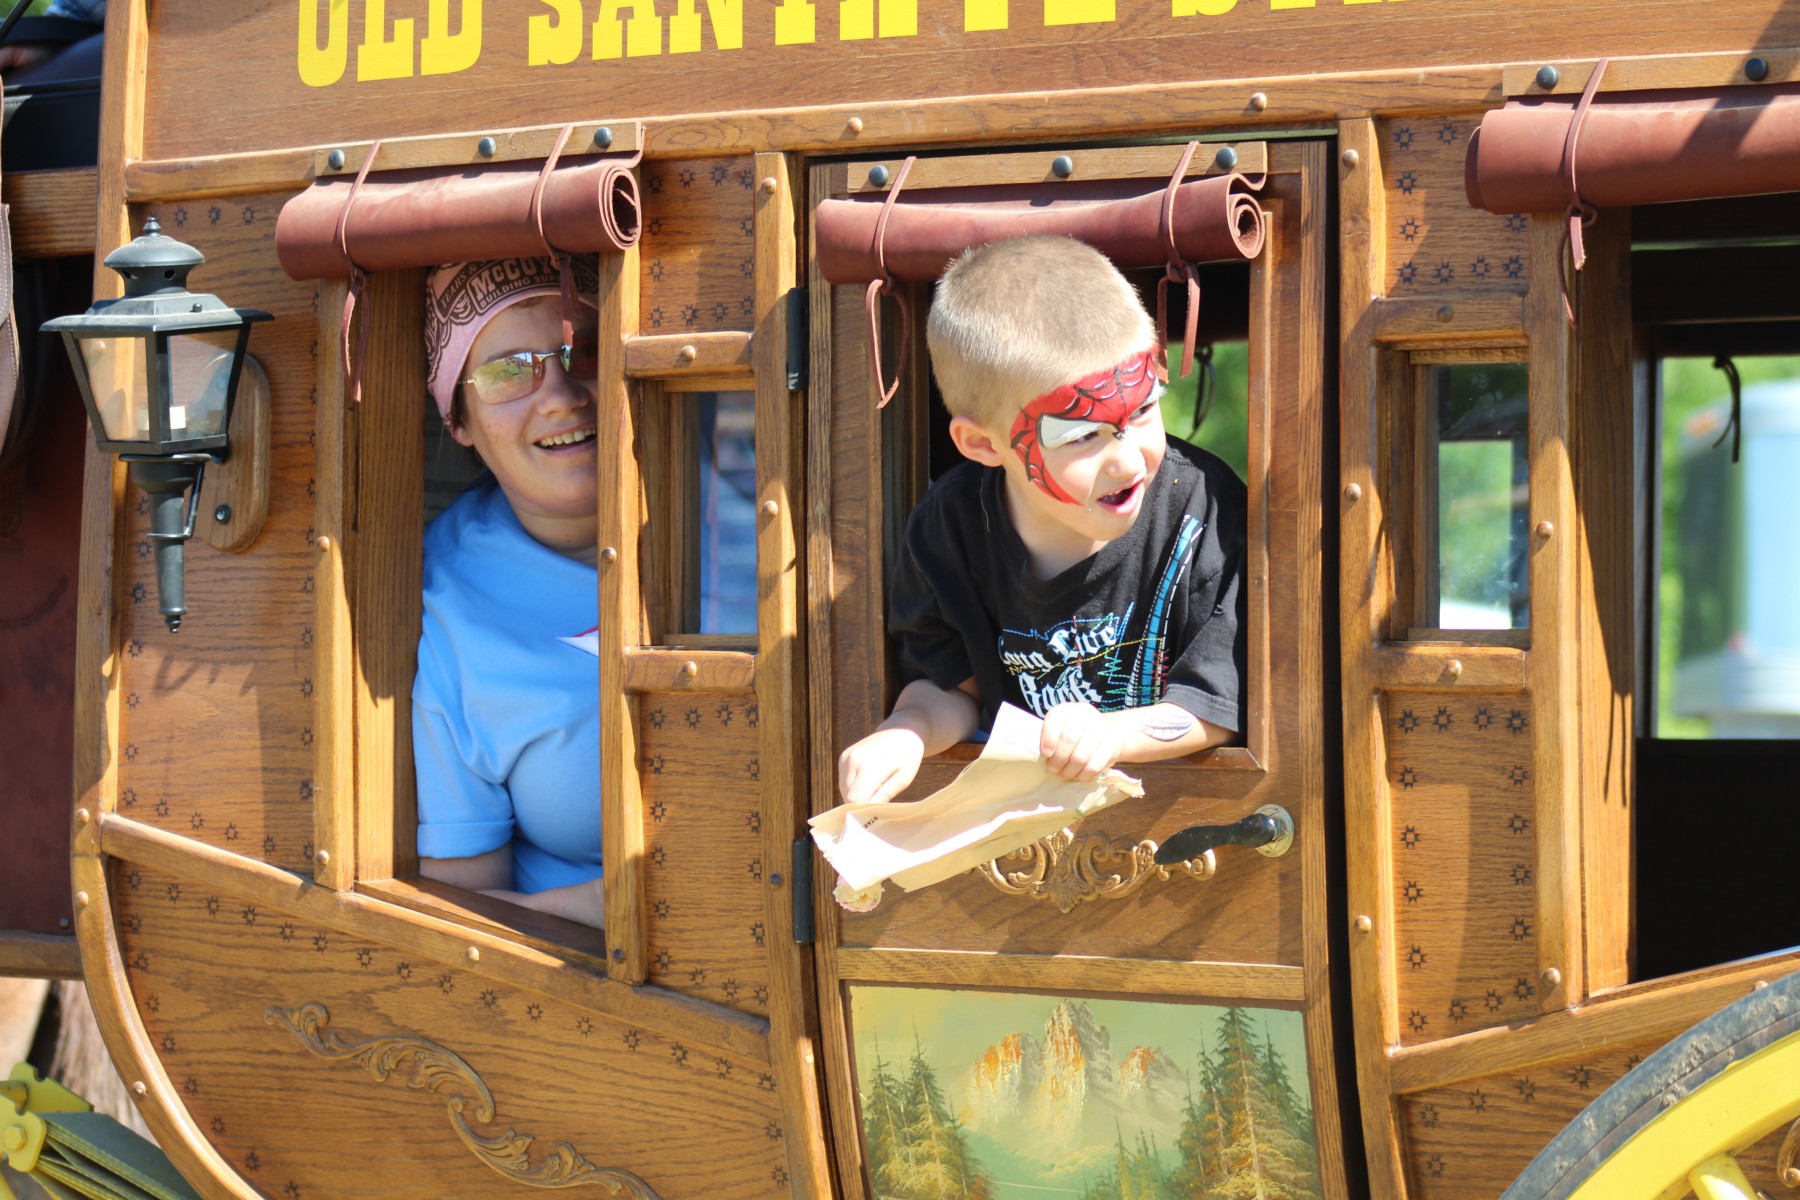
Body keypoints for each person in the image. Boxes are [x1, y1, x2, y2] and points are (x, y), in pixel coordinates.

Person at [837, 235, 1246, 806]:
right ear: (983, 444)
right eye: (1081, 436)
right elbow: (955, 690)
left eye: (1144, 408)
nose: (1129, 461)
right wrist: (908, 731)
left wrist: (1112, 735)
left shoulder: (1206, 510)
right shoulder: (948, 529)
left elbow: (1215, 706)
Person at [413, 257, 607, 929]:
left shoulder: (739, 501)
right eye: (506, 372)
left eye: (582, 350)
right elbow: (458, 909)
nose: (560, 394)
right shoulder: (444, 611)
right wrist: (615, 910)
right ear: (460, 422)